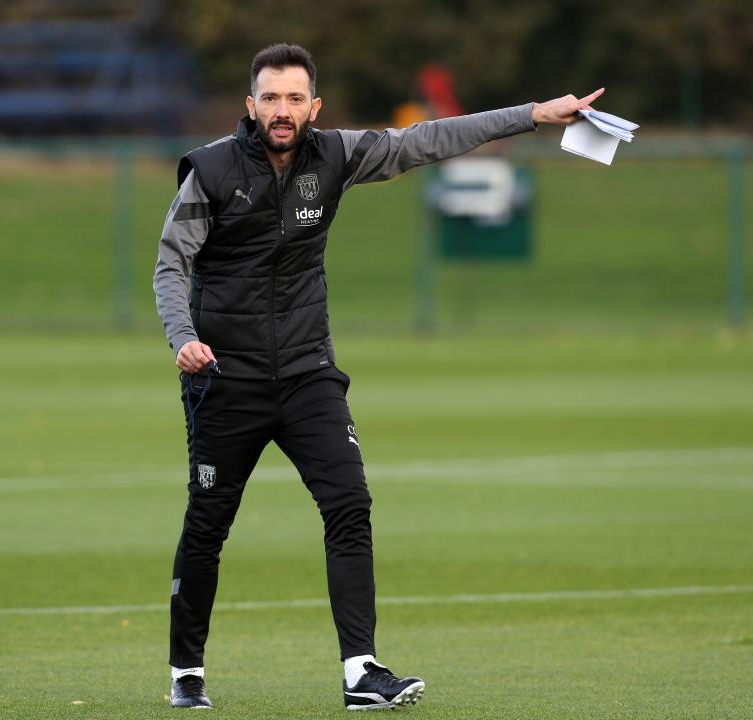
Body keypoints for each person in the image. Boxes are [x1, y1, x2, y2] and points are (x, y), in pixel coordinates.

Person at [153, 43, 603, 711]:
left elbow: (428, 140)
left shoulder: (336, 155)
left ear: (315, 106)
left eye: (295, 98)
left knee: (349, 505)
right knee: (208, 525)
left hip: (307, 374)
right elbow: (171, 264)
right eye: (271, 98)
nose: (283, 110)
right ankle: (186, 671)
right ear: (251, 105)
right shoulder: (212, 171)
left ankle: (361, 672)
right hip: (227, 379)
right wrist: (184, 339)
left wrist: (533, 114)